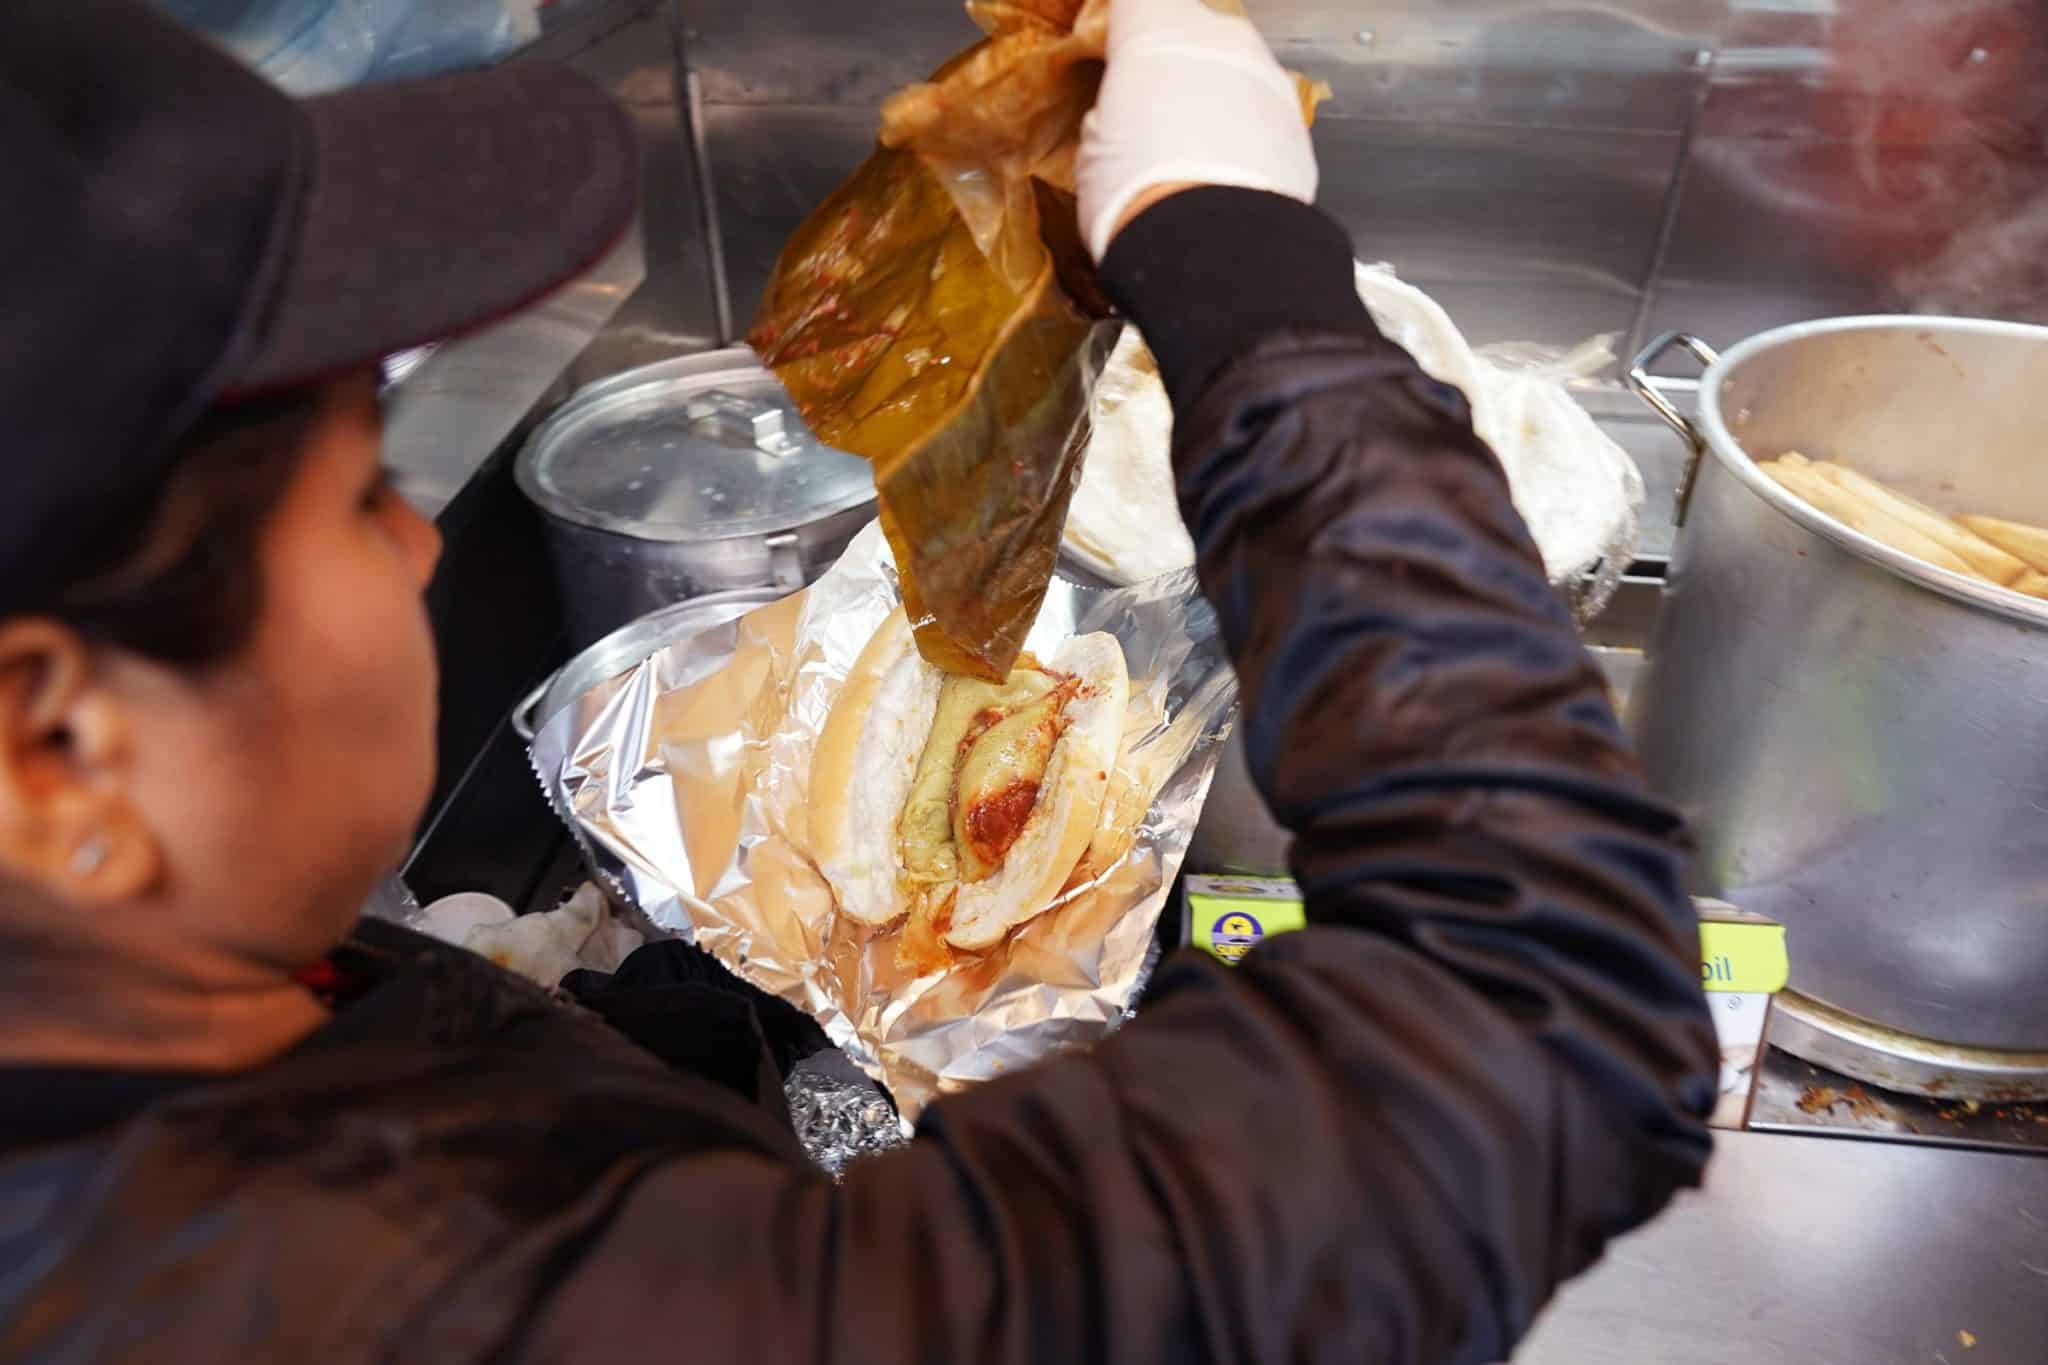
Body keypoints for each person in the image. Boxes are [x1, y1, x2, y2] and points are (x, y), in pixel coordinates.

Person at [0, 0, 1718, 1360]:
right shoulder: (465, 1308)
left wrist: (599, 1044)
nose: (427, 545)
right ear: (54, 748)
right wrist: (1241, 262)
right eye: (361, 494)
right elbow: (1547, 1000)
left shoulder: (169, 1057)